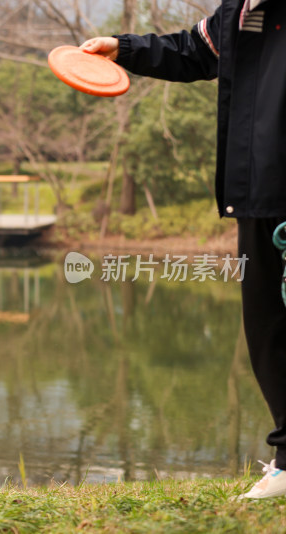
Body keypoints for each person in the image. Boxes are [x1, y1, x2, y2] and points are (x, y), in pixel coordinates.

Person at [81, 0, 286, 499]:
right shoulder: (238, 10)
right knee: (267, 328)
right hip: (257, 195)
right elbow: (194, 49)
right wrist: (123, 48)